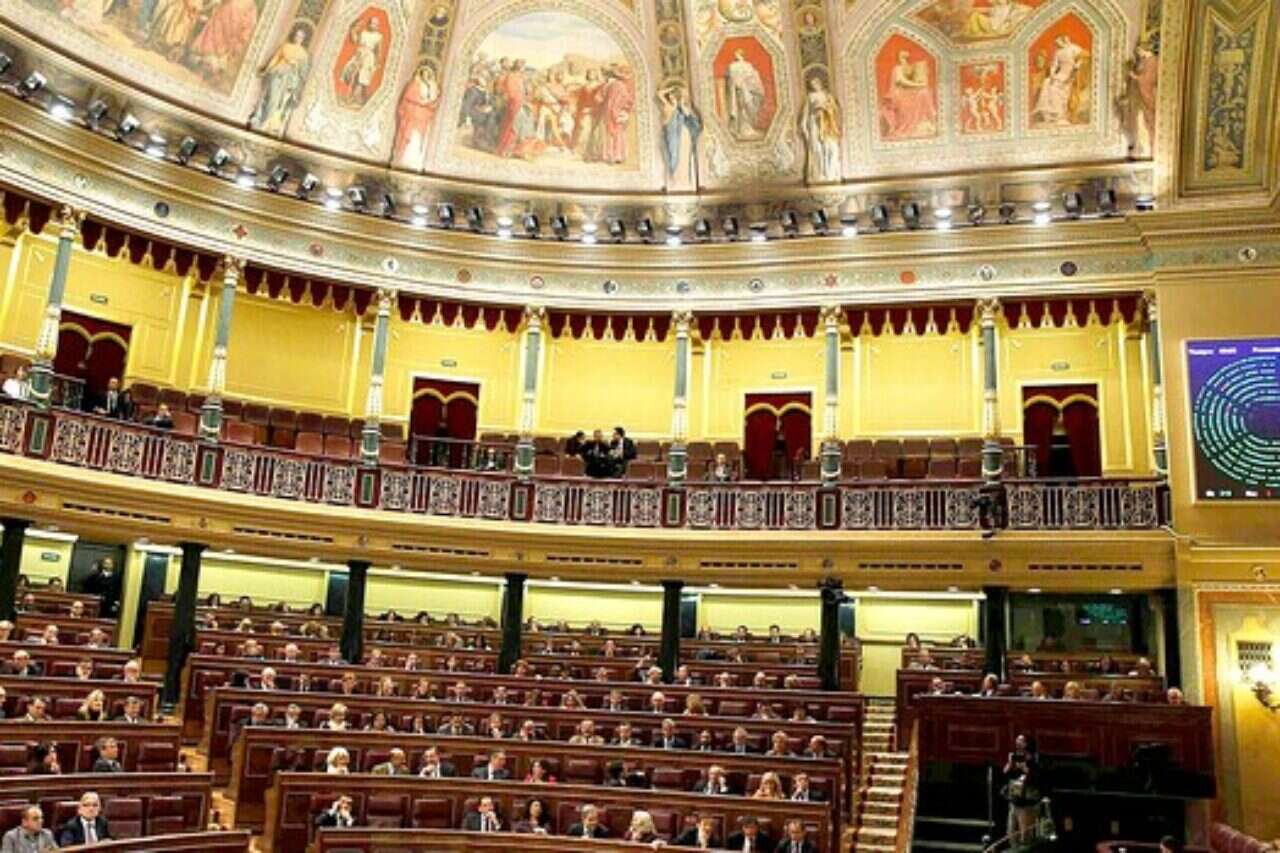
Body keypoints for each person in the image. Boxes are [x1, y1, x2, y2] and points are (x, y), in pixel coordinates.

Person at [1003, 735, 1044, 850]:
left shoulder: (1034, 759)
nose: (1017, 742)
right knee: (1010, 832)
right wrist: (1010, 763)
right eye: (1017, 740)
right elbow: (1005, 773)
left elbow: (1037, 778)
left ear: (1027, 744)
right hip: (1015, 799)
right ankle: (1014, 848)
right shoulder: (1015, 757)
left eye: (1021, 740)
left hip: (1027, 803)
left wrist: (1025, 768)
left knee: (1025, 834)